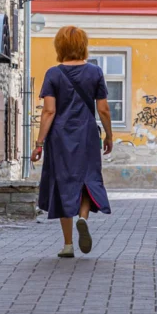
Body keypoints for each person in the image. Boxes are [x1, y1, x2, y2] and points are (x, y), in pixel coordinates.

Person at [31, 25, 113, 257]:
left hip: (59, 137)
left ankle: (67, 245)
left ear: (60, 46)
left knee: (63, 183)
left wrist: (39, 143)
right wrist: (109, 135)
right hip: (87, 134)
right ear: (82, 46)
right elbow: (103, 109)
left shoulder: (53, 74)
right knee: (88, 178)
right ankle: (83, 218)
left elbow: (48, 111)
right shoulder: (95, 72)